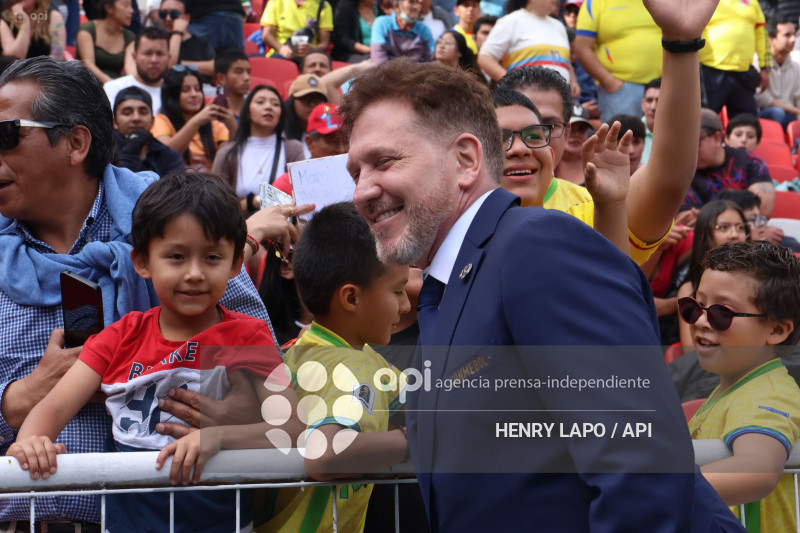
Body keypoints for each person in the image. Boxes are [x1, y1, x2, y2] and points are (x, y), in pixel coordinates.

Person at [341, 48, 744, 533]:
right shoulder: (445, 291)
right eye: (356, 173)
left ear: (466, 159)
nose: (362, 191)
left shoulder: (536, 245)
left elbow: (641, 466)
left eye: (384, 162)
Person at [0, 56, 272, 526]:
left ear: (75, 142)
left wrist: (236, 420)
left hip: (178, 518)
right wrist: (17, 401)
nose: (193, 273)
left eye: (6, 134)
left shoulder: (178, 221)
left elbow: (265, 376)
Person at [6, 172, 302, 533]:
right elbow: (52, 407)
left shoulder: (247, 336)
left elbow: (292, 428)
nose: (194, 273)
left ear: (235, 264)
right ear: (143, 262)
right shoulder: (119, 338)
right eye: (176, 257)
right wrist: (30, 443)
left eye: (212, 257)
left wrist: (219, 438)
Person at [257, 201, 411, 533]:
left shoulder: (305, 349)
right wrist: (413, 441)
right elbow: (324, 455)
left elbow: (415, 402)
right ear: (351, 298)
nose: (405, 304)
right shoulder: (351, 366)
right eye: (398, 291)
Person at [498, 59, 707, 267]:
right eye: (508, 132)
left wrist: (681, 49)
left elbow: (668, 178)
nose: (523, 146)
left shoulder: (598, 207)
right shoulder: (476, 206)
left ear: (567, 133)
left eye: (546, 126)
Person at [681, 241, 800, 532]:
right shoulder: (736, 387)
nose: (702, 321)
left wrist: (656, 493)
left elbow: (758, 469)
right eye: (694, 307)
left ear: (776, 330)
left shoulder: (769, 393)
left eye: (722, 313)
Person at [212, 84, 304, 214]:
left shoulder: (293, 148)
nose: (268, 107)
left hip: (282, 224)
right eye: (260, 102)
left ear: (281, 114)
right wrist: (253, 202)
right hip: (240, 224)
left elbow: (301, 196)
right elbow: (216, 204)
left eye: (275, 104)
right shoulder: (227, 152)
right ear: (247, 112)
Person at [574, 0, 662, 122]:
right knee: (621, 133)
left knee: (668, 134)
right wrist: (610, 82)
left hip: (664, 86)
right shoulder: (595, 2)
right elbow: (581, 48)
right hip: (621, 89)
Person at [677, 199, 750, 347]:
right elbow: (691, 352)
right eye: (723, 227)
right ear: (705, 235)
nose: (734, 234)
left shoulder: (758, 282)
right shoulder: (690, 289)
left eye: (740, 227)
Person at [684, 108, 775, 216]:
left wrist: (709, 217)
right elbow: (687, 219)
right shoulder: (682, 173)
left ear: (717, 138)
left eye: (695, 143)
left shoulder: (752, 161)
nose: (687, 151)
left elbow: (762, 210)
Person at [477, 0, 578, 94]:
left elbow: (566, 61)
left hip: (560, 101)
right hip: (525, 101)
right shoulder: (511, 21)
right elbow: (484, 57)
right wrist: (513, 84)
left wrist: (573, 81)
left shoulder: (559, 26)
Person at [152, 65, 234, 173]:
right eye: (186, 90)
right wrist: (197, 121)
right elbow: (166, 156)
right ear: (172, 95)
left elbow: (230, 160)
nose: (194, 94)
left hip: (211, 182)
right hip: (175, 182)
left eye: (197, 89)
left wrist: (231, 123)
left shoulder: (214, 125)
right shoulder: (161, 120)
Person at [699, 0, 770, 119]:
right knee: (705, 120)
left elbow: (761, 35)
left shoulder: (753, 2)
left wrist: (764, 67)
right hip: (710, 72)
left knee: (747, 122)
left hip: (743, 74)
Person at [272, 101, 349, 198]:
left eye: (346, 141)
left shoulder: (359, 179)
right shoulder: (287, 186)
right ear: (310, 143)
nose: (341, 149)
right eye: (333, 141)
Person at [113, 86, 184, 175]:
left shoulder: (169, 155)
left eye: (143, 112)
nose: (136, 118)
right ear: (114, 122)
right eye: (127, 113)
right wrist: (131, 150)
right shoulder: (105, 153)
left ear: (152, 121)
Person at [104, 27, 170, 115]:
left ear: (169, 58)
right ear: (134, 57)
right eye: (147, 53)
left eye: (160, 54)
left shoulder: (178, 93)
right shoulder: (113, 88)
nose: (154, 60)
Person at [76, 0, 135, 83]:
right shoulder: (88, 29)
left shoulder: (129, 36)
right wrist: (111, 84)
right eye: (126, 5)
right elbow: (88, 64)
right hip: (87, 84)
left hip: (115, 85)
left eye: (131, 6)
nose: (132, 11)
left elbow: (130, 68)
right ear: (109, 8)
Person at [757, 17, 800, 130]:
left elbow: (798, 97)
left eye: (794, 34)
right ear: (771, 39)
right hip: (764, 114)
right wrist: (796, 111)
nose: (793, 39)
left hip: (790, 115)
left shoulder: (795, 67)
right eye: (787, 35)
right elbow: (762, 98)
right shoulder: (759, 63)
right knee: (777, 112)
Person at [160, 0, 215, 85]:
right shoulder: (156, 41)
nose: (168, 18)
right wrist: (177, 33)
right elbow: (168, 67)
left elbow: (214, 68)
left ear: (187, 18)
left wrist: (180, 65)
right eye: (163, 14)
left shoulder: (201, 44)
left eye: (174, 14)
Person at [260, 0, 333, 63]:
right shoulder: (276, 2)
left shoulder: (323, 5)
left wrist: (312, 48)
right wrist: (281, 48)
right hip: (281, 54)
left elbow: (325, 44)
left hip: (308, 57)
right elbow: (266, 35)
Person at [370, 0, 435, 64]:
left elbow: (430, 60)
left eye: (418, 3)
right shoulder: (382, 24)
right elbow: (379, 59)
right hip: (387, 70)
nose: (416, 7)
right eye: (411, 2)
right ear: (397, 6)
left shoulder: (423, 30)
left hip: (418, 70)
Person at [0, 0, 66, 59]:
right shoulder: (4, 19)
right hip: (17, 68)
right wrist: (25, 24)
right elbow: (13, 57)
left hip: (46, 67)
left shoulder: (52, 16)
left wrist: (38, 66)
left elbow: (57, 56)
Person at [283, 73, 329, 153]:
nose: (312, 104)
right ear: (292, 102)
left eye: (317, 99)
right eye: (305, 98)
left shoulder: (334, 136)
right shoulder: (280, 135)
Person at [553, 103, 593, 186]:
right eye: (569, 129)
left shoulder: (595, 168)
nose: (576, 134)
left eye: (582, 129)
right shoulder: (544, 168)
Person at [213, 49, 251, 120]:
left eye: (248, 72)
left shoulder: (256, 109)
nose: (247, 78)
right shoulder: (213, 113)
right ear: (221, 78)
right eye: (239, 72)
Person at [640, 77, 660, 164]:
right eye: (649, 100)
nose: (653, 107)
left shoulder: (679, 135)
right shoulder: (630, 132)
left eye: (659, 101)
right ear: (643, 104)